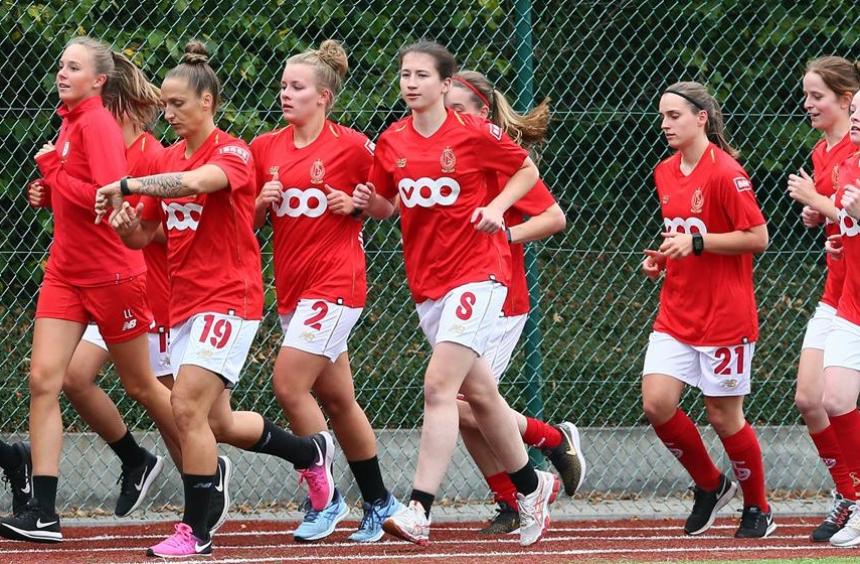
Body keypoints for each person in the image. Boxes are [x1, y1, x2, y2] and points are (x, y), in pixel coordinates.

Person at [94, 40, 336, 558]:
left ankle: (195, 530)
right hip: (185, 302)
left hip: (230, 297)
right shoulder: (164, 157)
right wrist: (126, 225)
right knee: (219, 423)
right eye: (166, 105)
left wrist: (131, 182)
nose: (171, 113)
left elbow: (197, 182)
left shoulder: (231, 151)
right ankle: (309, 452)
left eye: (179, 104)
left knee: (184, 407)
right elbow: (146, 236)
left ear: (207, 103)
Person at [353, 40, 557, 547]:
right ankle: (533, 487)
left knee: (440, 389)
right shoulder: (392, 140)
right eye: (405, 74)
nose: (411, 83)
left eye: (422, 75)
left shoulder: (471, 133)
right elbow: (387, 205)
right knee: (482, 395)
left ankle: (420, 507)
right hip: (429, 285)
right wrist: (366, 200)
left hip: (479, 273)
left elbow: (525, 169)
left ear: (445, 85)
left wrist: (499, 210)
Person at [0, 37, 181, 544]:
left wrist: (56, 176)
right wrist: (48, 191)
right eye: (61, 64)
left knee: (143, 386)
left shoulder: (98, 123)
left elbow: (108, 194)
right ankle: (44, 512)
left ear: (98, 81)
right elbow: (72, 191)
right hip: (65, 273)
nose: (62, 72)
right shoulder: (68, 121)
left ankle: (203, 475)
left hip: (112, 275)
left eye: (73, 67)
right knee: (43, 380)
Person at [250, 39, 401, 543]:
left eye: (297, 87)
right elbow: (242, 223)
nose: (285, 94)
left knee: (289, 384)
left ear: (324, 97)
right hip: (293, 291)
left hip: (337, 284)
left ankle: (326, 498)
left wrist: (360, 204)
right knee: (338, 400)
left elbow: (390, 204)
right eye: (283, 86)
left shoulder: (353, 146)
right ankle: (380, 502)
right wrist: (258, 203)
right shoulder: (264, 148)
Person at [445, 70, 584, 534]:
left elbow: (554, 217)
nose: (451, 117)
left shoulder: (498, 154)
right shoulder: (442, 153)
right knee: (463, 407)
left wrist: (505, 231)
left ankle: (550, 444)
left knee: (463, 403)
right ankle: (513, 498)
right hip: (458, 294)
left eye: (460, 108)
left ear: (483, 112)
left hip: (501, 295)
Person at [641, 81, 774, 538]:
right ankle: (711, 485)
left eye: (674, 116)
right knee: (657, 404)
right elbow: (682, 234)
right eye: (662, 116)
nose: (665, 124)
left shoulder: (726, 173)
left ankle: (758, 507)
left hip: (725, 316)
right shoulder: (664, 172)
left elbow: (757, 237)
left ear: (702, 118)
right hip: (676, 311)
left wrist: (697, 242)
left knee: (723, 416)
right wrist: (662, 258)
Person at [785, 56, 860, 542]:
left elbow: (847, 207)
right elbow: (846, 216)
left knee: (833, 398)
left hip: (849, 291)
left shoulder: (852, 153)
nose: (809, 103)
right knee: (814, 398)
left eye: (818, 95)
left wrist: (823, 204)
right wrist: (828, 220)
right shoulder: (831, 153)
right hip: (843, 291)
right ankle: (849, 495)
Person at [820, 87, 860, 548]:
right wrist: (838, 236)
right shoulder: (847, 165)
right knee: (834, 398)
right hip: (852, 304)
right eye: (855, 111)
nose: (856, 119)